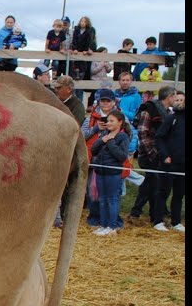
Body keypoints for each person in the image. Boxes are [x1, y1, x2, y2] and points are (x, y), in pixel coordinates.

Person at [128, 85, 177, 224]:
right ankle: (138, 213)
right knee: (151, 182)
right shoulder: (149, 109)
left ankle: (149, 213)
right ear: (169, 97)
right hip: (148, 153)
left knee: (153, 183)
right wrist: (152, 152)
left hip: (160, 153)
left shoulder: (168, 112)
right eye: (174, 96)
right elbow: (142, 132)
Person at [89, 109, 132, 235]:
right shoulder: (104, 135)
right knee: (102, 199)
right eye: (108, 120)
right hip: (100, 171)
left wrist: (111, 142)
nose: (108, 123)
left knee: (112, 199)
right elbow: (94, 150)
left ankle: (112, 226)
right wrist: (101, 140)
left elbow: (121, 156)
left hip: (113, 173)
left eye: (112, 121)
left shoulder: (123, 137)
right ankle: (103, 224)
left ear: (120, 122)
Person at [51, 75, 86, 228]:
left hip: (69, 149)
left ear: (69, 89)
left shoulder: (77, 105)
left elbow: (74, 126)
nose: (56, 90)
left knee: (65, 184)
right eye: (56, 87)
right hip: (54, 146)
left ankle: (63, 217)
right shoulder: (54, 102)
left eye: (59, 88)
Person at [80, 89, 118, 228]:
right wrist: (96, 129)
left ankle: (109, 219)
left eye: (108, 101)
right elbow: (82, 136)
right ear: (99, 102)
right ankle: (94, 216)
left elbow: (127, 133)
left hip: (112, 159)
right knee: (92, 189)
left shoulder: (119, 116)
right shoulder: (90, 118)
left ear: (113, 102)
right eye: (103, 100)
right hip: (93, 157)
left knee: (110, 191)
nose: (105, 103)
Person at [151, 94, 185, 232]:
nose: (179, 102)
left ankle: (176, 221)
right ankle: (158, 220)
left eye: (182, 100)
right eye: (177, 100)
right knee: (163, 192)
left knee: (179, 194)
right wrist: (165, 155)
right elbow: (159, 137)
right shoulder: (171, 119)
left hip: (183, 164)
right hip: (169, 163)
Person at [69, 16, 97, 81]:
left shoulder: (89, 31)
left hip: (84, 49)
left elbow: (88, 41)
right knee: (75, 62)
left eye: (84, 22)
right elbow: (74, 40)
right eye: (81, 21)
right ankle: (77, 73)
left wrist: (86, 50)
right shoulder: (77, 30)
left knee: (82, 63)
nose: (82, 23)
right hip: (76, 49)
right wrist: (74, 48)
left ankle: (80, 74)